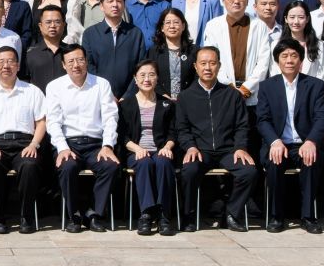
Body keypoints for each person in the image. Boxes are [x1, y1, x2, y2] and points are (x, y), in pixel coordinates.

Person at [171, 47, 257, 233]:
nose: (207, 68)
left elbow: (242, 125)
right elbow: (182, 129)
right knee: (189, 171)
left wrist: (240, 147)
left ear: (219, 65)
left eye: (212, 63)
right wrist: (190, 147)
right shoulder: (185, 96)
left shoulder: (232, 95)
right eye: (203, 63)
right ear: (195, 67)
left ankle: (231, 214)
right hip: (200, 150)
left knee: (248, 171)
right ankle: (189, 216)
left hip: (228, 150)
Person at [254, 39, 324, 233]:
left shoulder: (315, 85)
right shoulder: (267, 86)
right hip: (278, 143)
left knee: (311, 160)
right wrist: (274, 141)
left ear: (301, 60)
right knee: (274, 162)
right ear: (277, 61)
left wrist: (311, 141)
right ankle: (276, 217)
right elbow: (262, 120)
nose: (289, 60)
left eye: (294, 56)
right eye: (284, 56)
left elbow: (322, 117)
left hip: (304, 143)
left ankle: (308, 217)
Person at [44, 43, 120, 233]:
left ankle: (94, 214)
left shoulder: (101, 84)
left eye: (80, 60)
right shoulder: (55, 87)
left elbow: (111, 117)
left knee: (110, 166)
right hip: (69, 143)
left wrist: (108, 145)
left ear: (86, 61)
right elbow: (53, 122)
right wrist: (62, 148)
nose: (76, 65)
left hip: (96, 144)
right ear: (64, 65)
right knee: (67, 167)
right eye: (70, 61)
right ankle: (74, 215)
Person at [0, 46, 46, 235]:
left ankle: (26, 216)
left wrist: (34, 144)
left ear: (18, 65)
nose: (5, 66)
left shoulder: (32, 91)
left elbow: (41, 122)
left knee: (30, 165)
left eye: (10, 61)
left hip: (25, 143)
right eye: (1, 62)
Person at [118, 61, 178, 236]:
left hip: (160, 149)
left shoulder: (167, 104)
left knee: (164, 162)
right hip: (135, 151)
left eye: (151, 74)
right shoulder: (126, 105)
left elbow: (173, 132)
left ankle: (163, 215)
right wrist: (137, 149)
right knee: (144, 162)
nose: (147, 79)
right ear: (135, 79)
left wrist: (167, 146)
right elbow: (121, 135)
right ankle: (146, 214)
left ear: (157, 78)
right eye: (142, 75)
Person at [82, 0, 147, 98]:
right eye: (110, 1)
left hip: (129, 98)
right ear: (101, 6)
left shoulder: (135, 33)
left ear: (124, 5)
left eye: (119, 1)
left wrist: (127, 95)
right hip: (99, 95)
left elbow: (141, 66)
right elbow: (89, 66)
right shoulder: (90, 33)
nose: (115, 5)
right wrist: (105, 93)